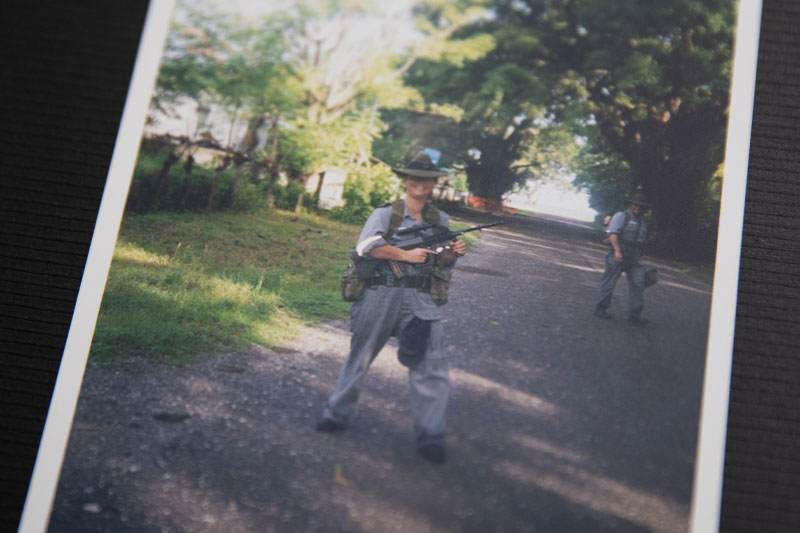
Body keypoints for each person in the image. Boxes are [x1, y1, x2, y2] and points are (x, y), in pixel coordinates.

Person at [316, 151, 467, 463]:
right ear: (406, 180)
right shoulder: (386, 214)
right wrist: (404, 255)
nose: (420, 183)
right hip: (380, 293)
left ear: (434, 183)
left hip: (420, 298)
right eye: (415, 177)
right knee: (360, 356)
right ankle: (336, 414)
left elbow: (441, 260)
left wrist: (452, 254)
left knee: (431, 363)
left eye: (426, 179)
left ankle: (431, 435)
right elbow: (365, 247)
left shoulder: (440, 220)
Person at [594, 192, 651, 325]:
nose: (639, 208)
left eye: (642, 206)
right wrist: (617, 251)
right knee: (610, 281)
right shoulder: (621, 216)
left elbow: (640, 241)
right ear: (631, 205)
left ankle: (634, 315)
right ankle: (601, 308)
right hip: (619, 253)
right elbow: (613, 234)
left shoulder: (642, 223)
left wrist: (641, 257)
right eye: (636, 205)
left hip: (634, 257)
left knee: (639, 283)